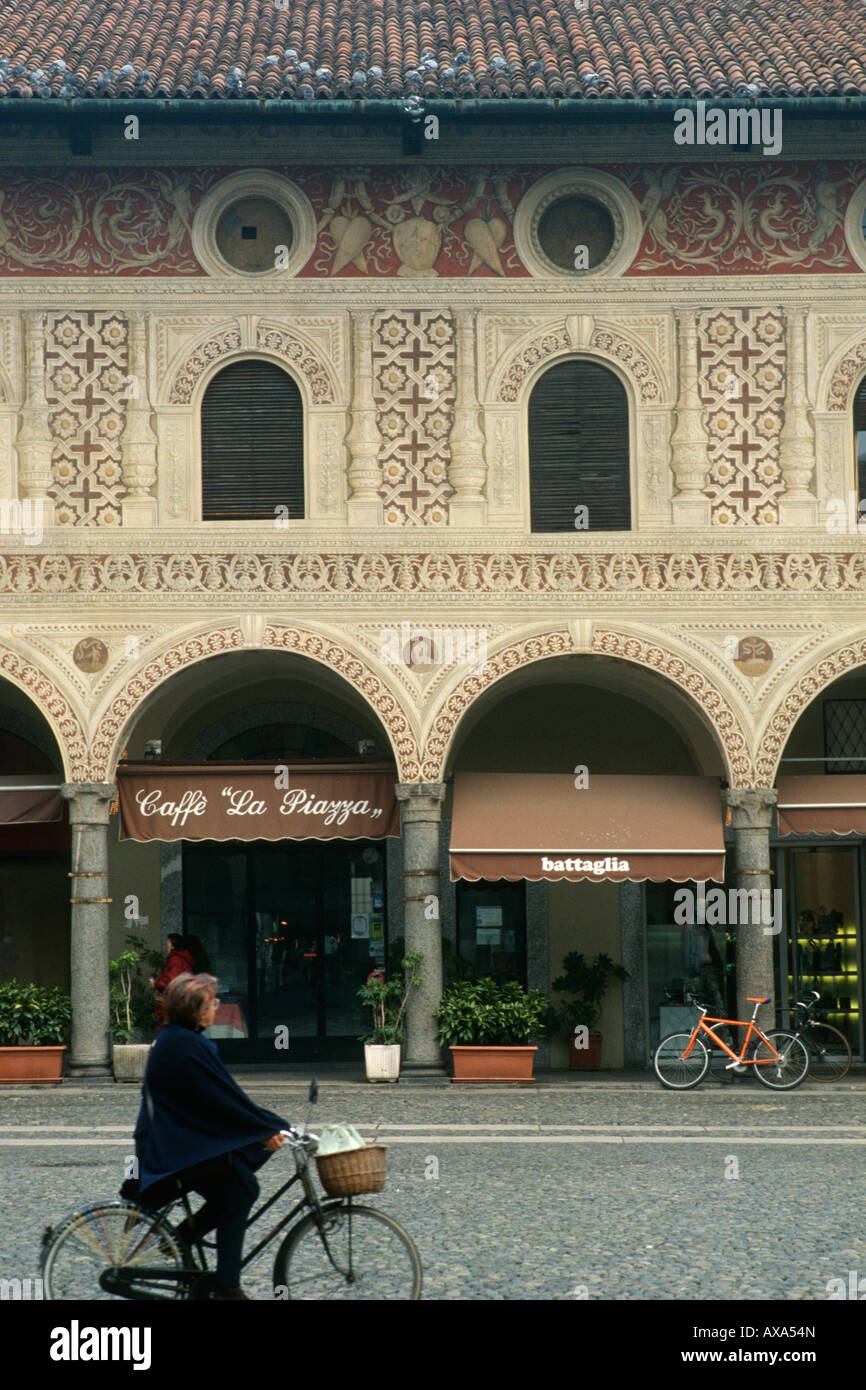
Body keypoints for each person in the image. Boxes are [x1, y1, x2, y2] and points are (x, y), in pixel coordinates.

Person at [129, 973, 291, 1301]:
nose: (215, 1008)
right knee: (242, 1187)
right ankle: (226, 1286)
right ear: (195, 1011)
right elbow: (225, 1100)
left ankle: (179, 1239)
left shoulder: (175, 1038)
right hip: (169, 1149)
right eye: (210, 1003)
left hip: (171, 1141)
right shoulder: (187, 1044)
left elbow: (220, 1099)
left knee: (236, 1186)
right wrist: (267, 1128)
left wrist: (266, 1126)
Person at [151, 934, 195, 1024]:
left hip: (174, 1003)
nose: (165, 947)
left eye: (167, 944)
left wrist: (156, 983)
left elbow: (171, 979)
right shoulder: (182, 959)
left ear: (173, 946)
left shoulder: (175, 960)